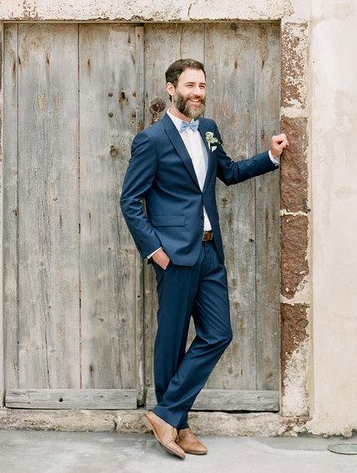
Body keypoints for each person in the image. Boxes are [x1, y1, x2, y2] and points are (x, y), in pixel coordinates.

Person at [119, 59, 288, 459]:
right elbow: (130, 201)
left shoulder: (208, 129)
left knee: (218, 333)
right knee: (173, 340)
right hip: (174, 255)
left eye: (202, 85)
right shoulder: (152, 139)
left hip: (211, 250)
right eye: (190, 85)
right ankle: (179, 425)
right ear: (170, 89)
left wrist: (270, 156)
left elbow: (226, 171)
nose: (198, 92)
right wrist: (155, 251)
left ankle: (166, 415)